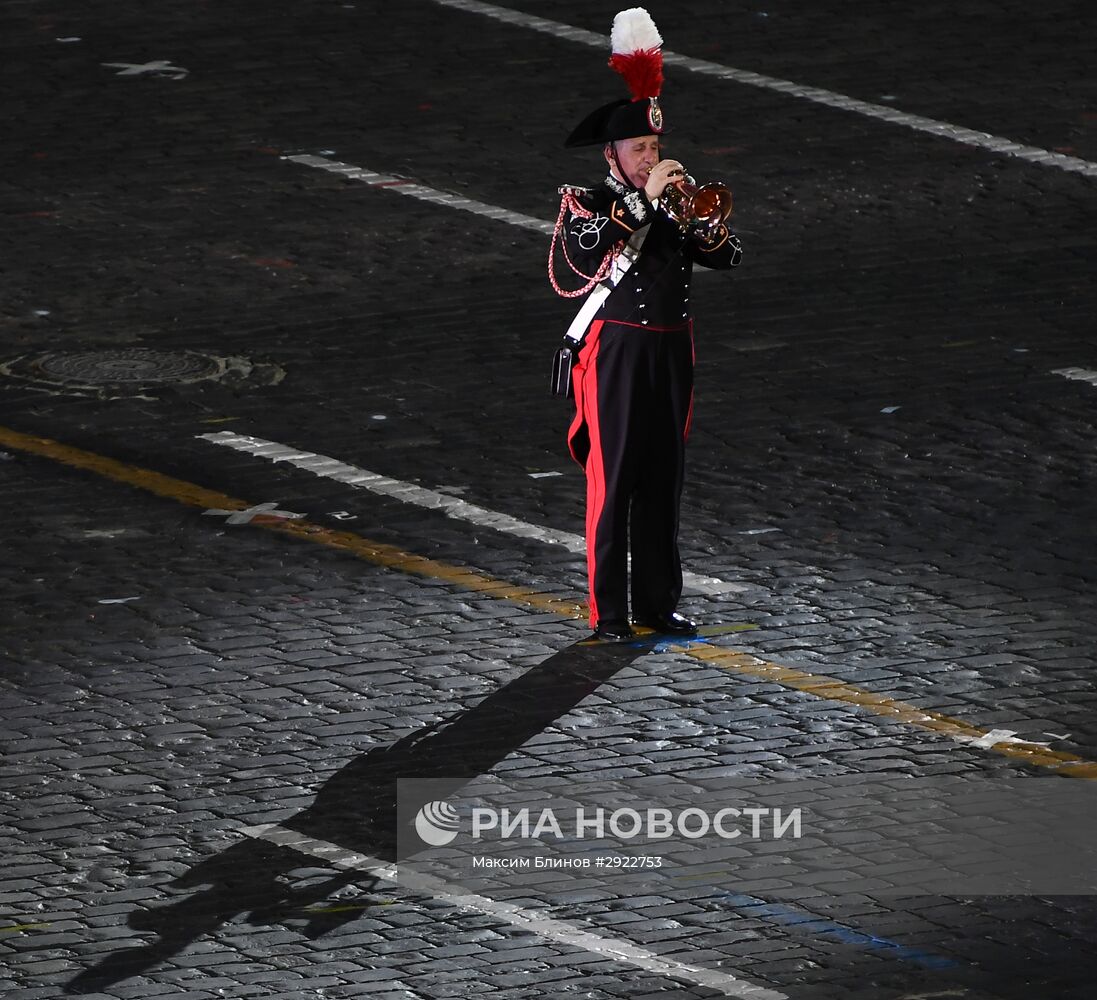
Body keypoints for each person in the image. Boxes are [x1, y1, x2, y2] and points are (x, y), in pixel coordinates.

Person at [549, 8, 742, 642]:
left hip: (672, 351)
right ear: (613, 154)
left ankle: (657, 604)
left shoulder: (670, 196)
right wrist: (645, 201)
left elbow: (726, 258)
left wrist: (701, 222)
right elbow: (582, 259)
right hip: (618, 352)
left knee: (664, 478)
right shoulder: (593, 201)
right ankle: (609, 614)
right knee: (615, 479)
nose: (652, 158)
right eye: (640, 149)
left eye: (656, 147)